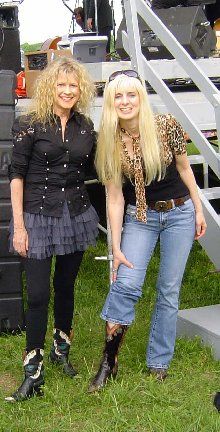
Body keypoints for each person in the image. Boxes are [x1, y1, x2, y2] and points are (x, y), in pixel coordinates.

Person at [88, 69, 207, 392]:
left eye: (131, 94)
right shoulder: (109, 141)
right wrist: (115, 246)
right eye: (118, 96)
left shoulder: (165, 125)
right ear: (111, 103)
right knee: (126, 283)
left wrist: (198, 209)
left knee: (168, 290)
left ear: (140, 97)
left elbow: (185, 169)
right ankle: (108, 361)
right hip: (139, 217)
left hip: (179, 213)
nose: (125, 101)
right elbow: (113, 197)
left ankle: (159, 361)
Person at [5, 57, 99, 402]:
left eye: (73, 85)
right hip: (37, 216)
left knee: (66, 287)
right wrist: (19, 225)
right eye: (61, 84)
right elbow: (16, 174)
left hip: (76, 216)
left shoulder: (86, 126)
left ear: (81, 89)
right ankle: (33, 373)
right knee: (39, 294)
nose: (68, 90)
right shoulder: (30, 124)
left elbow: (100, 167)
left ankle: (62, 351)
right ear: (50, 87)